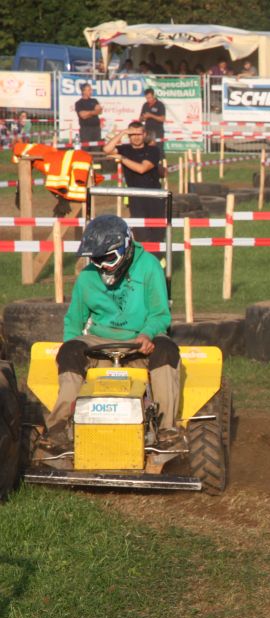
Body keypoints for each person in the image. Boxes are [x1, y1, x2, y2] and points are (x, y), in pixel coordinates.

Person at [35, 215, 181, 455]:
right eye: (96, 259)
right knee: (70, 351)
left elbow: (160, 315)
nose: (103, 265)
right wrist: (67, 346)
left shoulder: (149, 267)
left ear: (127, 245)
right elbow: (74, 320)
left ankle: (166, 429)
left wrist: (146, 334)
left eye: (108, 258)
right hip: (99, 341)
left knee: (167, 350)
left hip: (139, 339)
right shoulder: (87, 277)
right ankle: (59, 427)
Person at [103, 122, 166, 251]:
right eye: (132, 134)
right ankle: (142, 263)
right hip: (136, 197)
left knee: (157, 233)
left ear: (144, 135)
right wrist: (121, 133)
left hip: (154, 196)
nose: (136, 137)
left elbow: (142, 169)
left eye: (139, 134)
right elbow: (107, 150)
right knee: (140, 233)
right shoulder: (125, 148)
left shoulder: (153, 150)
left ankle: (159, 262)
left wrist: (122, 158)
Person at [75, 82, 103, 148]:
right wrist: (93, 112)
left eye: (91, 90)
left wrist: (88, 113)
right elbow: (83, 116)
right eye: (89, 90)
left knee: (96, 148)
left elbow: (99, 111)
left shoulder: (94, 101)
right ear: (83, 91)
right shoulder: (79, 103)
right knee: (86, 148)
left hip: (96, 128)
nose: (91, 91)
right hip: (86, 129)